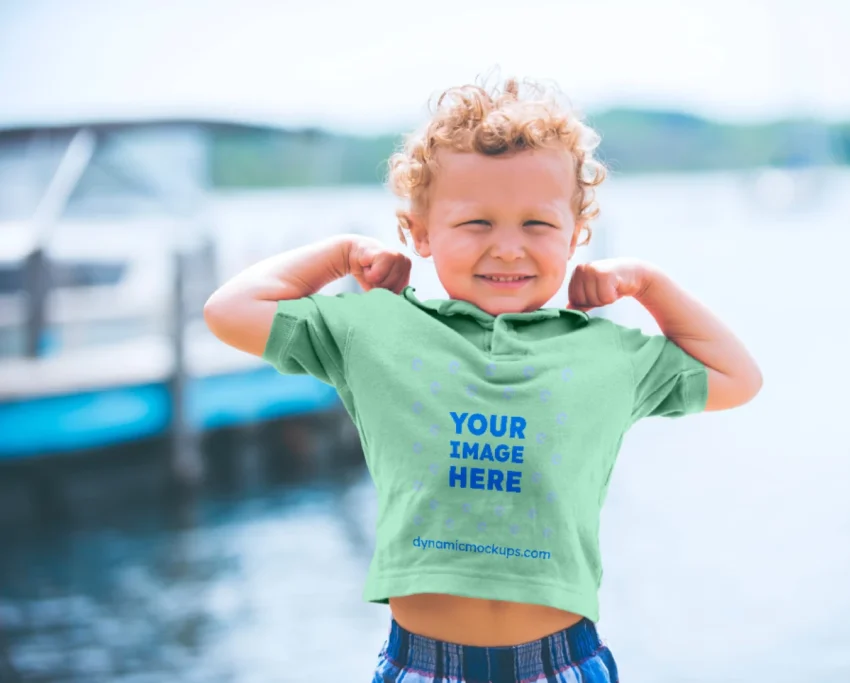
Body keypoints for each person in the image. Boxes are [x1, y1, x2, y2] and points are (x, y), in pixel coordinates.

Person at [204, 75, 763, 683]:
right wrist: (339, 255)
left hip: (561, 661)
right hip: (422, 664)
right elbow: (228, 311)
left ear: (576, 235)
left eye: (537, 225)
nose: (506, 248)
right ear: (418, 233)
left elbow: (738, 377)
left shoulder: (607, 352)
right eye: (475, 224)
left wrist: (649, 285)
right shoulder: (376, 331)